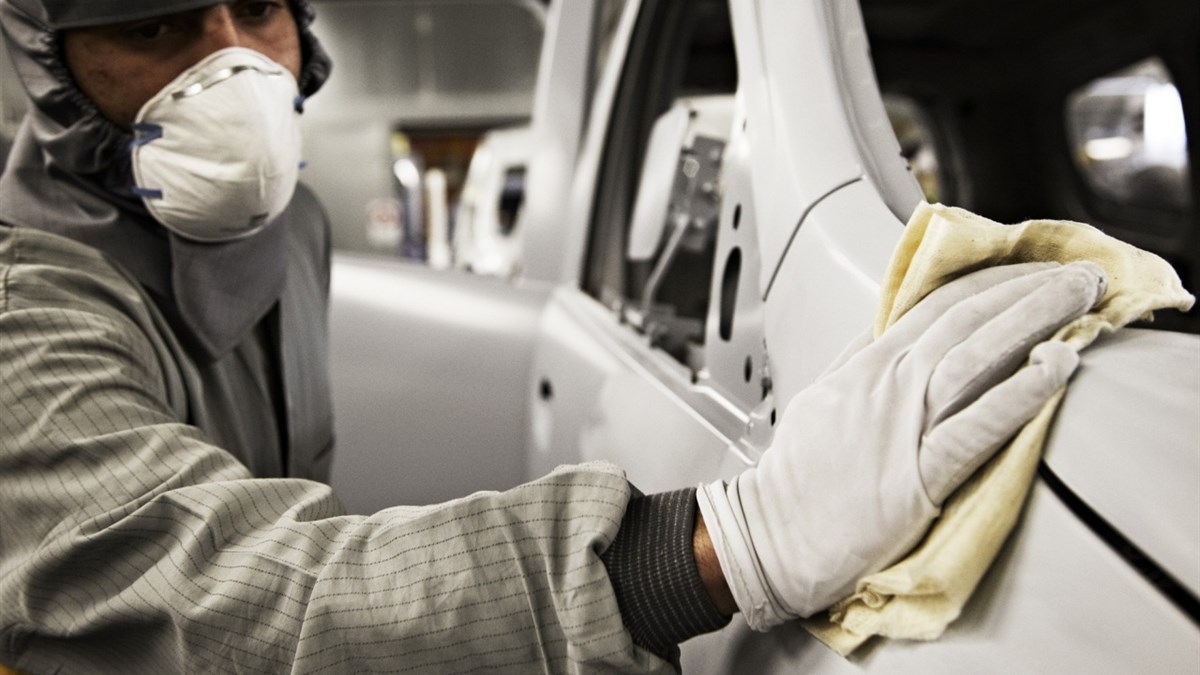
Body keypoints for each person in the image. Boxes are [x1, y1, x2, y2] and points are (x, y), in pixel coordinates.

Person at [0, 1, 1106, 672]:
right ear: (48, 58)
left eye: (257, 8)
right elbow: (222, 600)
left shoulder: (292, 228)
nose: (234, 69)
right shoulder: (22, 311)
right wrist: (728, 544)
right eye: (151, 28)